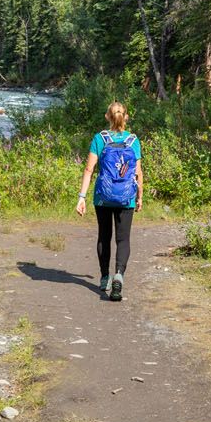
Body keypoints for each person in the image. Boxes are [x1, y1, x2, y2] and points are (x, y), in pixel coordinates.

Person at [75, 101, 143, 301]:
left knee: (104, 236)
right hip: (126, 197)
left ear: (107, 117)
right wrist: (140, 196)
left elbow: (89, 169)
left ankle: (105, 277)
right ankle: (119, 276)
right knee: (123, 239)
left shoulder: (100, 138)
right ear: (126, 117)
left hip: (102, 197)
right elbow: (138, 172)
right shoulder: (133, 141)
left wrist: (82, 197)